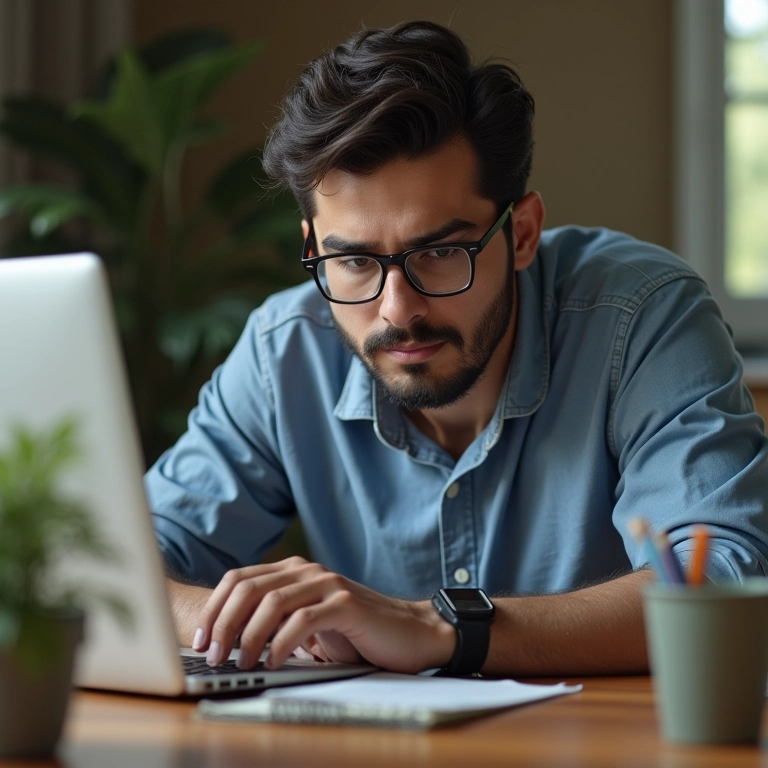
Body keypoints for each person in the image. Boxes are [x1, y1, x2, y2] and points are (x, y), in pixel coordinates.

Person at [145, 20, 768, 677]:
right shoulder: (285, 353)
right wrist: (249, 616)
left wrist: (440, 628)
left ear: (522, 234)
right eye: (354, 261)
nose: (397, 310)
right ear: (314, 248)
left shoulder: (641, 318)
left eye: (441, 252)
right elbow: (113, 570)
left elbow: (727, 582)